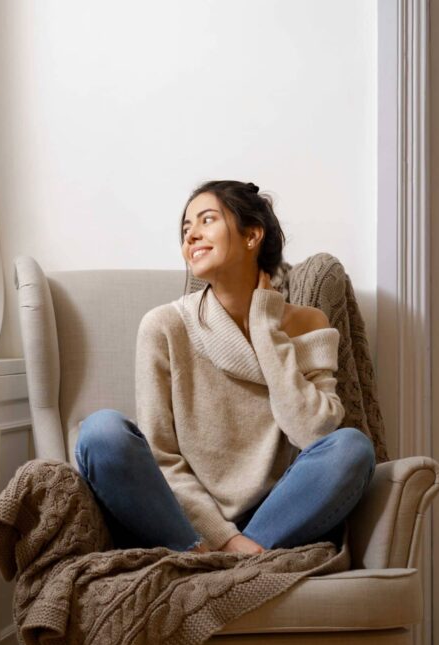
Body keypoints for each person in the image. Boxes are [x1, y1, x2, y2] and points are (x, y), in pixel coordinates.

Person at [74, 180, 376, 555]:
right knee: (101, 432)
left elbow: (313, 433)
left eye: (206, 220)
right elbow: (161, 455)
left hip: (277, 513)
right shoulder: (164, 326)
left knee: (352, 447)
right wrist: (223, 538)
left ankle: (226, 562)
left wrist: (266, 328)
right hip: (187, 522)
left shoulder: (308, 323)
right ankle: (227, 557)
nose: (192, 236)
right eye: (185, 229)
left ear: (252, 235)